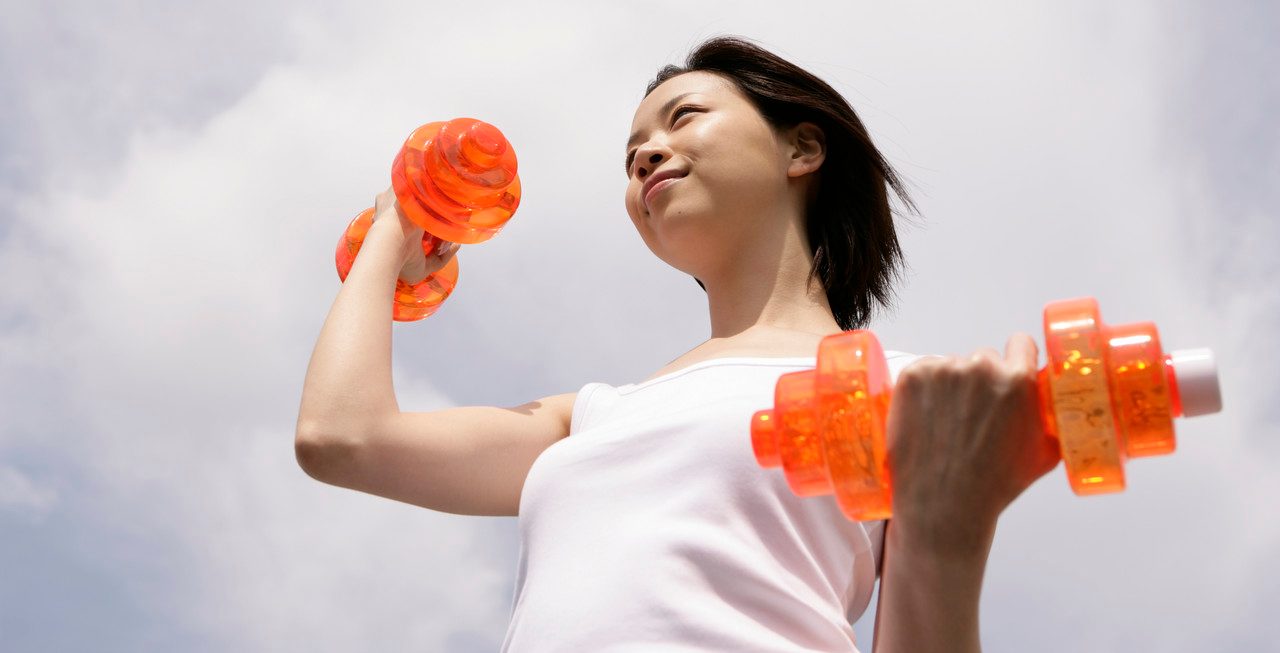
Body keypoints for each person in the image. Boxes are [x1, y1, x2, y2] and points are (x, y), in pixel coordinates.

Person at [295, 35, 1061, 653]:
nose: (645, 156)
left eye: (684, 116)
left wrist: (950, 524)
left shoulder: (918, 393)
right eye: (632, 152)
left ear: (802, 149)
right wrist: (396, 226)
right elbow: (342, 436)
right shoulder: (595, 416)